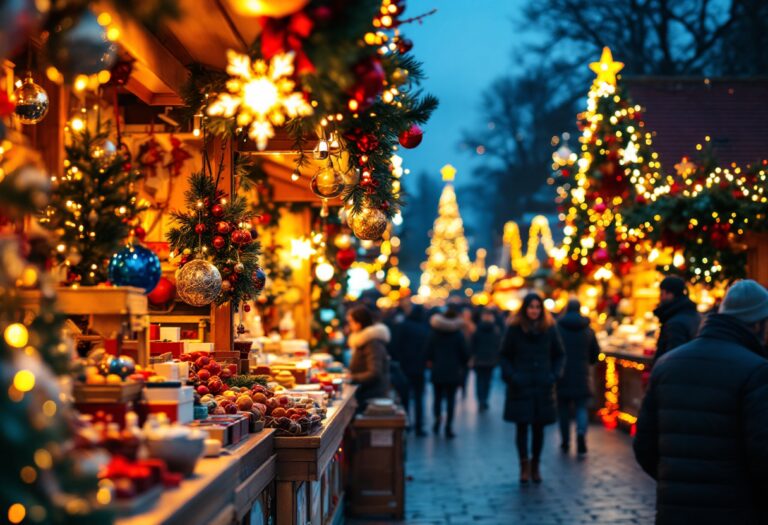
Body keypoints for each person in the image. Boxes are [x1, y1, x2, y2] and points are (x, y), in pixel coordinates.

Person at [634, 280, 768, 525]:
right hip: (734, 512)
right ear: (758, 324)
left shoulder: (666, 365)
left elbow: (644, 446)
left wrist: (675, 483)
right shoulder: (757, 370)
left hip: (674, 512)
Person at [500, 292, 565, 484]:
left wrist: (553, 375)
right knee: (522, 428)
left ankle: (535, 465)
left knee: (538, 428)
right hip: (521, 386)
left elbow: (559, 354)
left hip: (542, 386)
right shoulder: (514, 329)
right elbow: (504, 355)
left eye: (537, 307)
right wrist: (513, 376)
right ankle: (524, 466)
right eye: (531, 307)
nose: (534, 311)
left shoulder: (550, 329)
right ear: (525, 309)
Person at [556, 299, 600, 456]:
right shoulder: (588, 329)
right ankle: (581, 434)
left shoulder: (558, 328)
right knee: (581, 407)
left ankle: (565, 441)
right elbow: (595, 354)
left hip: (562, 374)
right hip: (582, 374)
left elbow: (552, 351)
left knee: (563, 410)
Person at [425, 305, 469, 439]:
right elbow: (465, 354)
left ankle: (438, 418)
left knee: (437, 398)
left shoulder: (434, 332)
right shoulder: (458, 334)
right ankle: (449, 426)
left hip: (438, 370)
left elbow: (428, 351)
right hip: (453, 371)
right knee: (451, 400)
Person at [390, 302, 430, 436]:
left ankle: (406, 423)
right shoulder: (424, 328)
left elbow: (395, 345)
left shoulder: (404, 326)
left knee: (405, 396)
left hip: (405, 366)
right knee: (419, 397)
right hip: (419, 367)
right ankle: (419, 426)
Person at [347, 305, 391, 411]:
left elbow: (375, 373)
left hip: (371, 395)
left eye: (351, 322)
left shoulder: (372, 343)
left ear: (359, 323)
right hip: (366, 392)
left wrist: (352, 378)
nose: (349, 325)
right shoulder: (363, 341)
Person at [653, 275, 700, 362]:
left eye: (662, 293)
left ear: (670, 294)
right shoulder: (691, 314)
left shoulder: (675, 323)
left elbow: (673, 359)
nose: (659, 297)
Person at [470, 307, 502, 412]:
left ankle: (481, 400)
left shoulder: (477, 329)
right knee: (487, 381)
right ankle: (484, 400)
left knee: (480, 380)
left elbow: (473, 345)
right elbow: (498, 345)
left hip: (479, 359)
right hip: (490, 360)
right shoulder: (496, 330)